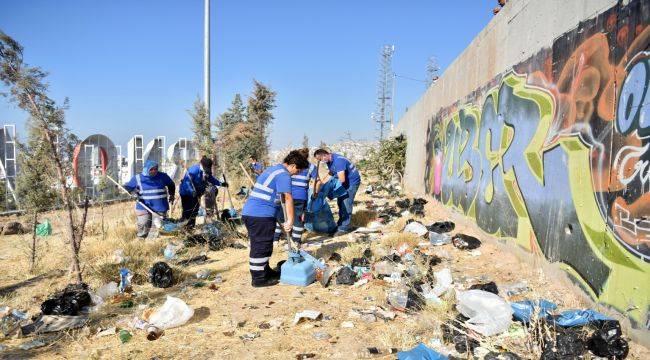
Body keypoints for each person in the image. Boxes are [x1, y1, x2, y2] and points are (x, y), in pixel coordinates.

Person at [242, 150, 309, 287]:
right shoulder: (284, 174)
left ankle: (265, 271)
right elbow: (288, 197)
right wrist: (290, 220)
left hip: (255, 212)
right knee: (260, 246)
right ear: (293, 165)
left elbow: (280, 198)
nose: (297, 173)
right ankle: (259, 279)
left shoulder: (274, 169)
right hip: (260, 214)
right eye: (298, 170)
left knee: (264, 245)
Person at [274, 148, 318, 245]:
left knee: (281, 217)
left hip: (285, 194)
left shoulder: (289, 166)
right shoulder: (311, 167)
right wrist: (315, 192)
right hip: (300, 196)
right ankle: (296, 241)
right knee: (298, 219)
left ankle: (275, 240)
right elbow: (317, 181)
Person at [123, 160, 175, 239]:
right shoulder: (137, 178)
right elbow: (128, 187)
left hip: (160, 207)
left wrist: (172, 194)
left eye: (155, 169)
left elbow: (171, 184)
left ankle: (152, 244)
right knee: (143, 224)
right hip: (143, 206)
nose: (154, 171)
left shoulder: (162, 176)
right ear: (146, 169)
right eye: (151, 169)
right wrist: (132, 193)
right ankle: (141, 242)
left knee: (157, 227)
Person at [314, 149, 361, 235]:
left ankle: (343, 228)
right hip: (344, 183)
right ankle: (340, 224)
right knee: (340, 203)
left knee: (346, 204)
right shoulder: (329, 161)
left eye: (320, 159)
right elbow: (331, 173)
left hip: (351, 183)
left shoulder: (338, 161)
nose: (321, 161)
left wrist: (330, 190)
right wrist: (322, 185)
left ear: (325, 155)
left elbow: (342, 179)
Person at [179, 156, 228, 228]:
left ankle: (191, 227)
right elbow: (187, 182)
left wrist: (221, 183)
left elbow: (211, 178)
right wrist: (192, 191)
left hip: (197, 193)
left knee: (195, 210)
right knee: (188, 210)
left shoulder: (207, 170)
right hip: (186, 193)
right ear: (202, 165)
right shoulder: (193, 170)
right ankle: (185, 226)